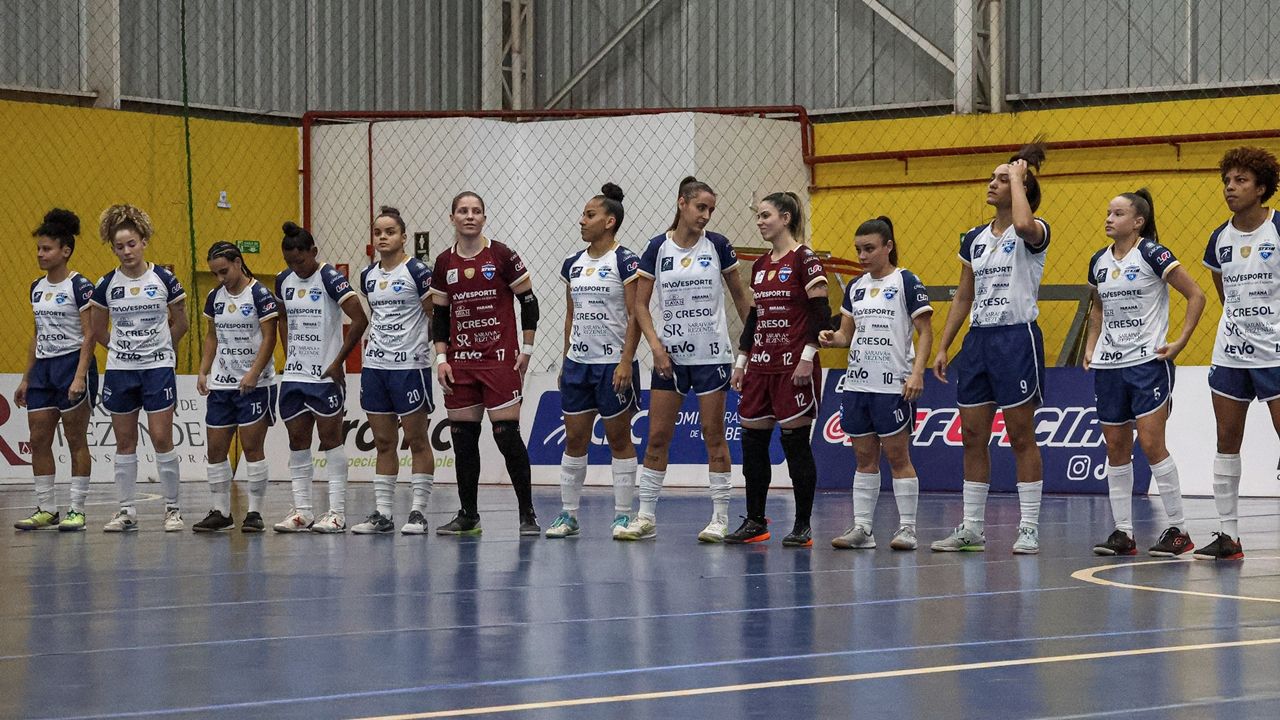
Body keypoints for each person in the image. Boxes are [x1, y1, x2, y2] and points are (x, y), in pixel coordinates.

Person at [616, 176, 752, 542]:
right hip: (669, 358)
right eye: (700, 207)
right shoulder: (657, 247)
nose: (706, 215)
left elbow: (742, 299)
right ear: (682, 204)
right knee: (657, 436)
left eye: (710, 209)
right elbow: (640, 305)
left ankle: (720, 517)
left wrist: (749, 349)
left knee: (713, 435)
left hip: (712, 356)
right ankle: (645, 517)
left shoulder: (719, 246)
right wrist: (656, 347)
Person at [930, 140, 1050, 554]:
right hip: (979, 341)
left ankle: (1029, 527)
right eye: (994, 177)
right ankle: (972, 528)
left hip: (1015, 339)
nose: (993, 183)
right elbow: (963, 295)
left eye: (1003, 178)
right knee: (972, 436)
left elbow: (1021, 225)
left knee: (1020, 436)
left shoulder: (1035, 230)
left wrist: (1019, 177)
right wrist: (945, 345)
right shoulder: (974, 240)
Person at [1085, 190, 1205, 557]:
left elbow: (1196, 294)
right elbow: (1097, 309)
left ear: (1137, 222)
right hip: (1109, 365)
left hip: (1147, 364)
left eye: (1118, 213)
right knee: (1115, 447)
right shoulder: (1098, 261)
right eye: (1107, 212)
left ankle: (1179, 531)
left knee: (1152, 445)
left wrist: (1180, 341)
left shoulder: (1153, 254)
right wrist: (1091, 347)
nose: (1109, 218)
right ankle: (1123, 533)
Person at [431, 192, 541, 536]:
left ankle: (527, 514)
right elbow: (440, 314)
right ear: (452, 218)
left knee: (507, 436)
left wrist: (527, 348)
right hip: (461, 362)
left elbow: (529, 301)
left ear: (484, 218)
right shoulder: (443, 263)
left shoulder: (502, 254)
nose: (470, 216)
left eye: (476, 211)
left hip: (499, 359)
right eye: (463, 211)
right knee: (463, 438)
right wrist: (441, 358)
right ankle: (468, 515)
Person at [820, 217, 932, 550]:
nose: (863, 255)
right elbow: (845, 335)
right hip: (857, 385)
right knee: (863, 458)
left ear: (888, 246)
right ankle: (863, 530)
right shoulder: (855, 287)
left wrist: (917, 372)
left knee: (898, 457)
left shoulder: (906, 281)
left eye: (869, 248)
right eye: (858, 250)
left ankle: (908, 529)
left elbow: (925, 331)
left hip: (892, 385)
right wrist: (833, 338)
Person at [726, 192, 828, 547]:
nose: (759, 221)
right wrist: (742, 362)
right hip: (760, 366)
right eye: (758, 216)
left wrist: (808, 355)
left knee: (795, 443)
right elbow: (755, 318)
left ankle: (802, 525)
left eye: (765, 215)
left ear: (785, 218)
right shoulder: (760, 265)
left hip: (792, 366)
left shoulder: (805, 259)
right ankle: (756, 520)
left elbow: (820, 313)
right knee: (752, 442)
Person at [1196, 146, 1280, 561]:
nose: (1231, 187)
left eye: (1241, 180)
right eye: (1227, 180)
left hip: (1276, 353)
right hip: (1231, 352)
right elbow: (1224, 294)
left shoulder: (1278, 229)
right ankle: (1228, 537)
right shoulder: (1219, 239)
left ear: (1262, 187)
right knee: (1226, 440)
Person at [546, 184, 642, 539]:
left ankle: (622, 516)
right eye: (583, 214)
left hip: (612, 364)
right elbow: (571, 315)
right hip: (578, 364)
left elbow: (635, 315)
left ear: (609, 221)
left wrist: (625, 361)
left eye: (589, 215)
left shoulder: (625, 261)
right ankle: (568, 515)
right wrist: (564, 359)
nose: (581, 221)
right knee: (574, 440)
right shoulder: (573, 264)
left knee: (619, 440)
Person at [91, 205, 189, 532]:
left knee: (162, 437)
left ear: (143, 241)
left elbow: (182, 323)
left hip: (157, 368)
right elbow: (98, 330)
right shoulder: (106, 284)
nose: (126, 251)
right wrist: (123, 350)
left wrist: (159, 349)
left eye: (131, 244)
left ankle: (173, 510)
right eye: (119, 246)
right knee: (124, 442)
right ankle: (126, 511)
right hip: (121, 371)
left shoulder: (163, 278)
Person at [273, 221, 368, 533]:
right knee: (297, 441)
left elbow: (359, 319)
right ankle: (303, 512)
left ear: (313, 252)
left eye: (300, 261)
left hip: (325, 375)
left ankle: (337, 513)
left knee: (331, 441)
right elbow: (283, 318)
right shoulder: (283, 280)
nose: (296, 268)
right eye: (290, 262)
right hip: (295, 376)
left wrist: (339, 361)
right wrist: (289, 357)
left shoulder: (329, 277)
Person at [352, 206, 437, 535]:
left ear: (403, 237)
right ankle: (383, 514)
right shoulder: (367, 276)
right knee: (384, 442)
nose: (383, 237)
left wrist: (418, 345)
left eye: (390, 232)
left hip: (410, 368)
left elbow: (435, 317)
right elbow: (375, 316)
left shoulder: (417, 272)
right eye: (378, 232)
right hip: (375, 367)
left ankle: (417, 512)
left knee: (416, 439)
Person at [13, 209, 97, 531]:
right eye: (38, 249)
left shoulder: (80, 286)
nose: (40, 254)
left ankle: (77, 509)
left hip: (71, 365)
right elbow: (38, 333)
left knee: (76, 439)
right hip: (43, 370)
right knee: (38, 438)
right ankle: (47, 508)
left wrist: (79, 375)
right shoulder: (36, 287)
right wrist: (25, 377)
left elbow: (90, 335)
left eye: (46, 249)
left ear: (65, 250)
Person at [192, 242, 280, 533]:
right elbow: (212, 337)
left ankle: (254, 513)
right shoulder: (214, 297)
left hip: (254, 385)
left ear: (238, 263)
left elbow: (270, 337)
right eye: (215, 273)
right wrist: (204, 371)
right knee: (216, 449)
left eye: (224, 271)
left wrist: (254, 373)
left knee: (253, 447)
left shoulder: (259, 295)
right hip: (221, 385)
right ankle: (221, 511)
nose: (221, 278)